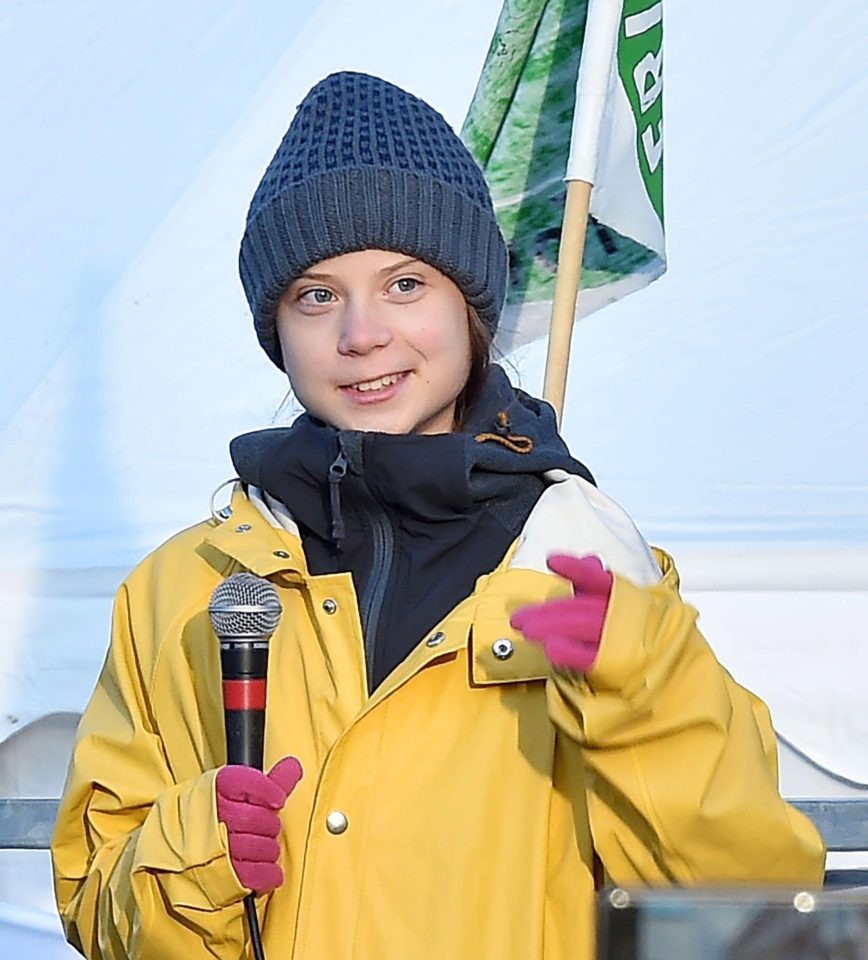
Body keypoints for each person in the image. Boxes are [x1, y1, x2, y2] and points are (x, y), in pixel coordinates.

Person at [50, 71, 825, 960]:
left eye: (406, 284)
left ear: (472, 304)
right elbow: (96, 904)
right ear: (278, 331)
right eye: (316, 295)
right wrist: (193, 854)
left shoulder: (582, 564)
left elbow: (750, 906)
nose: (361, 334)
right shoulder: (181, 591)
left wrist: (643, 698)